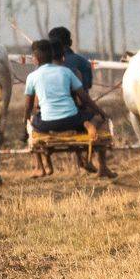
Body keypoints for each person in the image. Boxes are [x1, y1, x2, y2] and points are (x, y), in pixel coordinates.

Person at [24, 39, 114, 179]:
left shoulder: (32, 77)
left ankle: (40, 167)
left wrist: (25, 122)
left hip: (47, 123)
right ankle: (87, 124)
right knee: (93, 117)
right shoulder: (66, 72)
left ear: (35, 59)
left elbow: (29, 106)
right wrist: (100, 112)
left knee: (32, 123)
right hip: (72, 120)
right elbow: (84, 98)